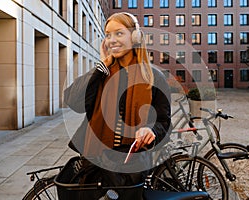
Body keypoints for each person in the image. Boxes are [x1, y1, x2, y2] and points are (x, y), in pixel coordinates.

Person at [64, 12, 171, 199]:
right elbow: (74, 101)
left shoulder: (154, 78)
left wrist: (151, 130)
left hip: (132, 169)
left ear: (135, 37)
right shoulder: (102, 73)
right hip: (95, 163)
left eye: (119, 33)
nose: (111, 40)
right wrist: (101, 65)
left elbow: (163, 121)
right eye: (108, 34)